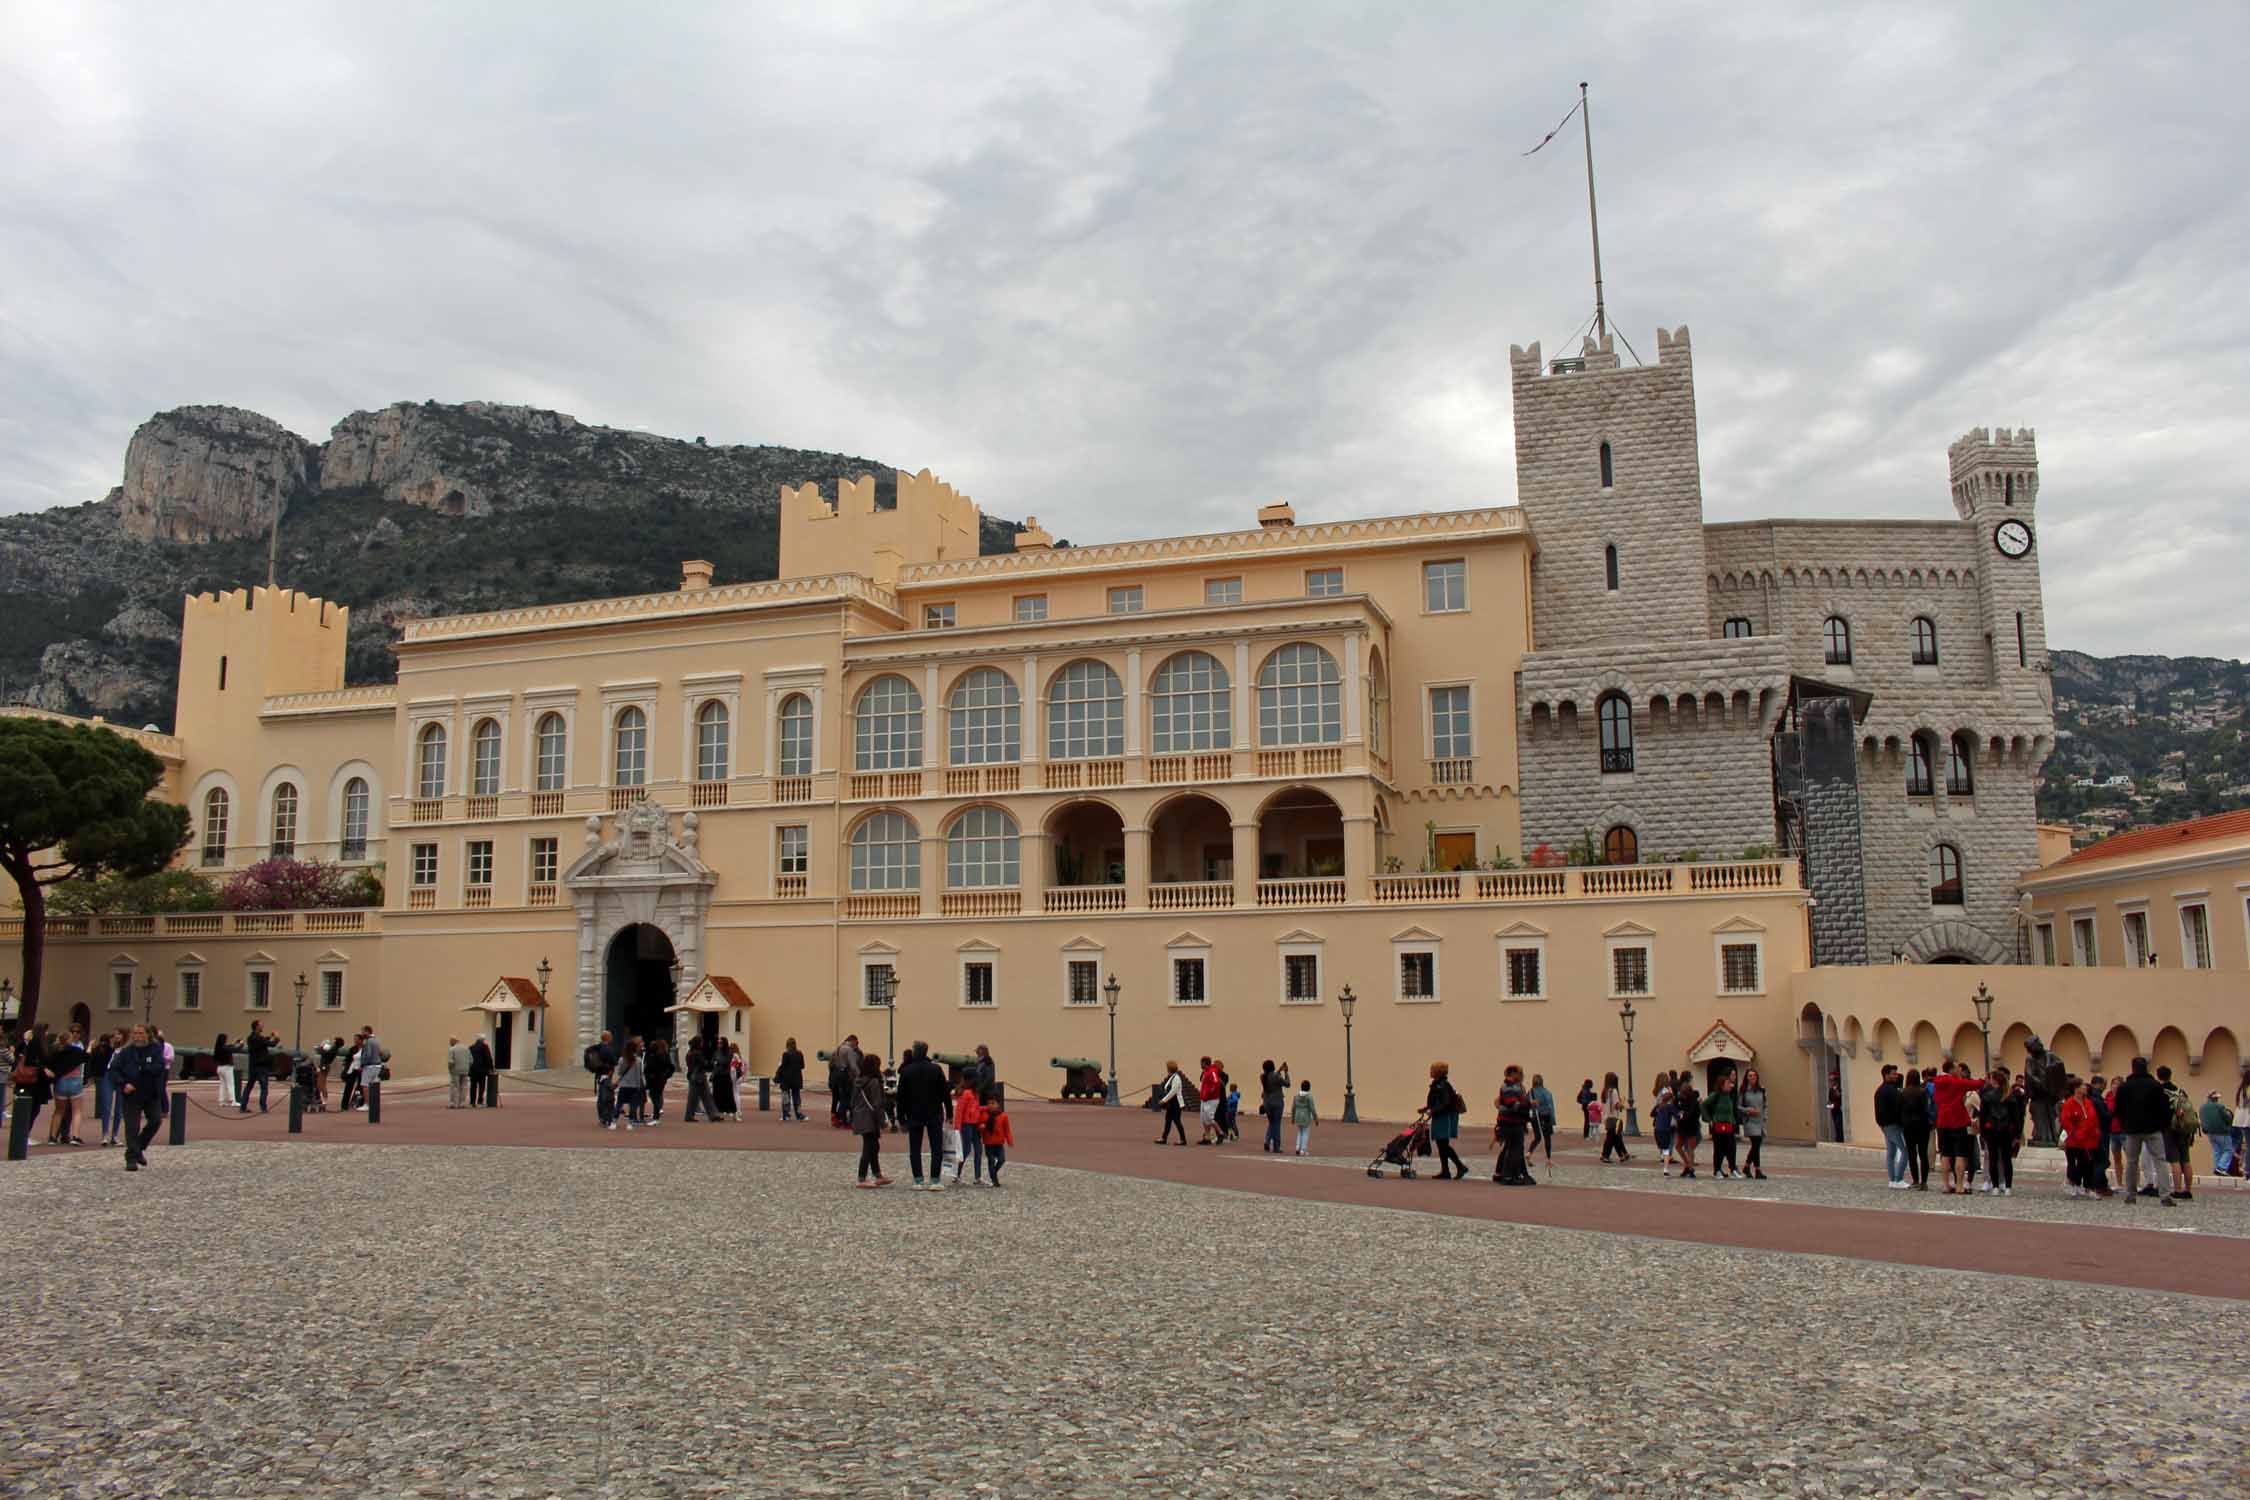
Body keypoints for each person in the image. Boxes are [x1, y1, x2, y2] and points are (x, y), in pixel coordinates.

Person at [2112, 1057, 2174, 1207]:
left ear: (2132, 1068)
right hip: (2153, 1129)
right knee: (2160, 1161)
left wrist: (2125, 1124)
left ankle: (2130, 1194)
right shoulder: (2155, 1086)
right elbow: (2165, 1108)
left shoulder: (2125, 1088)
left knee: (2132, 1162)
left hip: (2132, 1130)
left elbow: (2118, 1110)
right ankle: (2165, 1195)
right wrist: (2161, 1125)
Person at [896, 1042, 950, 1190]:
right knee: (936, 1148)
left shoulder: (907, 1071)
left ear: (914, 1052)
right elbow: (945, 1093)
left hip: (913, 1113)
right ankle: (935, 1180)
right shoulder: (936, 1069)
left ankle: (918, 1179)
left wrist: (901, 1118)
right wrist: (950, 1112)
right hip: (934, 1112)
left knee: (915, 1148)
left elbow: (901, 1097)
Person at [114, 1024, 167, 1172]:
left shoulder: (155, 1050)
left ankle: (138, 1148)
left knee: (156, 1120)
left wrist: (144, 1068)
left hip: (150, 1093)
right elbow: (114, 1070)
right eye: (135, 1033)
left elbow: (159, 1067)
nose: (137, 1036)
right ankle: (131, 1158)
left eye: (141, 1033)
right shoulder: (126, 1052)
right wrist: (123, 1084)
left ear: (148, 1035)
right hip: (131, 1094)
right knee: (132, 1126)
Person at [1931, 1061, 1982, 1195]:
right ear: (1952, 1069)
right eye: (1957, 1068)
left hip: (1942, 1121)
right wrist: (1984, 1080)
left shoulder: (1938, 1083)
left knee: (1945, 1155)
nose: (1959, 1070)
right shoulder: (1956, 1082)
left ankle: (1946, 1185)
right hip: (1957, 1122)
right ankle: (1959, 1185)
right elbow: (1975, 1084)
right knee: (1960, 1154)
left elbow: (1936, 1099)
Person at [2061, 1079, 2108, 1198]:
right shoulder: (2069, 1103)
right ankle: (2074, 1184)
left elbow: (2094, 1119)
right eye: (2082, 1086)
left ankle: (2088, 1187)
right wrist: (2074, 1132)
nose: (2085, 1087)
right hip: (2074, 1140)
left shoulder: (2088, 1102)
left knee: (2088, 1164)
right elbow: (2066, 1120)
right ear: (2076, 1088)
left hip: (2089, 1139)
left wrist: (2096, 1131)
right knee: (2074, 1164)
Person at [849, 1053, 889, 1188]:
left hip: (859, 1116)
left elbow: (852, 1101)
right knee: (869, 1147)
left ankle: (877, 1174)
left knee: (873, 1145)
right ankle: (862, 1177)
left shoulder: (857, 1081)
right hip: (870, 1118)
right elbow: (877, 1104)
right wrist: (882, 1121)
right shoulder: (874, 1082)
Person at [2157, 1064, 2196, 1201]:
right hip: (2184, 1128)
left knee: (2174, 1160)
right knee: (2186, 1159)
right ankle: (2188, 1190)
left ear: (2158, 1076)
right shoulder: (2180, 1091)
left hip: (2170, 1128)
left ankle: (2177, 1189)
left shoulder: (2160, 1091)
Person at [1491, 1066, 1535, 1185]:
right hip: (1511, 1122)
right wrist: (1530, 1105)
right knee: (1514, 1150)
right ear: (1513, 1073)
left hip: (1514, 1122)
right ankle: (1508, 1176)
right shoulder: (1509, 1087)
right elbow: (1513, 1105)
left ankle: (1506, 1174)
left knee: (1511, 1149)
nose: (1522, 1076)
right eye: (1520, 1073)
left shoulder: (1515, 1086)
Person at [45, 1026, 88, 1147]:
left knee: (58, 1111)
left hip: (60, 1082)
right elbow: (86, 1057)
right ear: (69, 1039)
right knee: (77, 1111)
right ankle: (75, 1136)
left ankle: (52, 1137)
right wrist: (90, 1048)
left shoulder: (55, 1051)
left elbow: (47, 1063)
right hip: (75, 1081)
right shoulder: (76, 1051)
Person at [1426, 1062, 1468, 1181]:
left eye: (1432, 1069)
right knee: (1441, 1144)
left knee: (1443, 1144)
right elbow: (1438, 1101)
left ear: (1437, 1072)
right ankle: (1446, 1170)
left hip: (1446, 1117)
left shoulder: (1443, 1085)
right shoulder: (1438, 1084)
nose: (1430, 1071)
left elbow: (1445, 1103)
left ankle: (1459, 1166)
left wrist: (1432, 1111)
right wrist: (1426, 1108)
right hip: (1441, 1115)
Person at [1897, 1068, 1932, 1190]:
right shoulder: (1922, 1092)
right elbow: (1926, 1108)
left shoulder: (1902, 1092)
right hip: (1922, 1125)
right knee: (1923, 1154)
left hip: (1908, 1126)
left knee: (1912, 1154)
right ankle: (1924, 1182)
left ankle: (1915, 1180)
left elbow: (1900, 1110)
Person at [1874, 1065, 1907, 1188]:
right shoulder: (1891, 1091)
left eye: (1896, 1073)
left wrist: (1881, 1124)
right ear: (1886, 1075)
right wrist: (1900, 1122)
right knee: (1905, 1151)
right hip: (1893, 1125)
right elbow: (1897, 1109)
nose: (1896, 1075)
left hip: (1885, 1125)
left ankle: (1892, 1179)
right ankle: (1898, 1179)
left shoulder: (1880, 1090)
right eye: (1893, 1074)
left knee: (1891, 1152)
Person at [1704, 1069, 1740, 1180]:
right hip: (1718, 1126)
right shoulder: (1715, 1095)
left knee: (1731, 1148)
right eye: (1727, 1083)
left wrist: (1734, 1122)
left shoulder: (1730, 1096)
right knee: (1719, 1149)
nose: (1730, 1085)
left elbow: (1732, 1111)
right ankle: (1717, 1170)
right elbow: (1704, 1105)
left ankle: (1733, 1169)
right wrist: (1709, 1120)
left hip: (1729, 1126)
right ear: (1722, 1085)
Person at [89, 1029, 121, 1148]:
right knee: (106, 1106)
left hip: (121, 1077)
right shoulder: (104, 1049)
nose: (116, 1037)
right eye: (114, 1035)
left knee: (119, 1108)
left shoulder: (125, 1049)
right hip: (106, 1076)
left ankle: (115, 1135)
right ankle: (105, 1134)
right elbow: (96, 1062)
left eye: (119, 1035)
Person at [952, 1076, 986, 1185]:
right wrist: (957, 1127)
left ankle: (978, 1176)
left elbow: (975, 1109)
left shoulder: (975, 1094)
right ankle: (956, 1175)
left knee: (978, 1149)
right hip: (966, 1125)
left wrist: (985, 1108)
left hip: (974, 1124)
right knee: (965, 1150)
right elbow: (959, 1110)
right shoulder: (967, 1093)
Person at [1738, 1067, 1769, 1180]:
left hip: (1760, 1121)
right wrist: (1748, 1110)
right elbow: (1738, 1106)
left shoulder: (1762, 1089)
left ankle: (1747, 1166)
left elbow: (1765, 1105)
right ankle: (1757, 1169)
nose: (1752, 1077)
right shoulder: (1743, 1091)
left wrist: (1765, 1117)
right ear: (1747, 1077)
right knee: (1756, 1143)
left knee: (1756, 1145)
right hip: (1750, 1120)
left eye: (1754, 1075)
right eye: (1750, 1076)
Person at [584, 1030, 617, 1128]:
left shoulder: (597, 1047)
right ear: (607, 1038)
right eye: (610, 1036)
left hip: (599, 1075)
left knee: (601, 1097)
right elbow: (614, 1062)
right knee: (606, 1097)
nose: (612, 1038)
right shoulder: (608, 1049)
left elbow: (587, 1051)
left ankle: (602, 1117)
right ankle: (606, 1118)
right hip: (606, 1074)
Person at [980, 1088, 1013, 1186]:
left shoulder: (1003, 1116)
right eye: (989, 1103)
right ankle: (994, 1180)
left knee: (1002, 1159)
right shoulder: (984, 1115)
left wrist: (1009, 1140)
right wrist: (981, 1127)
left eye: (993, 1103)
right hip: (988, 1143)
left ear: (998, 1104)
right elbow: (980, 1126)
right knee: (991, 1160)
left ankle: (993, 1172)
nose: (991, 1105)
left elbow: (1007, 1129)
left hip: (999, 1143)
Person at [1672, 1077, 1702, 1181]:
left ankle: (1690, 1168)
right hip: (1681, 1126)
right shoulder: (1678, 1098)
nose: (1682, 1095)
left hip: (1691, 1125)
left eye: (1684, 1093)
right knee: (1678, 1146)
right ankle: (1688, 1165)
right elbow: (1674, 1107)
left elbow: (1693, 1113)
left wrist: (1683, 1115)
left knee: (1690, 1148)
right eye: (1681, 1093)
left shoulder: (1693, 1099)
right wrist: (1678, 1115)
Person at [241, 1020, 274, 1113]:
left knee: (249, 1087)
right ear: (256, 1027)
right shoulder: (259, 1038)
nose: (262, 1026)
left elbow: (263, 1041)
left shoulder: (250, 1038)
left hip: (253, 1066)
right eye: (261, 1025)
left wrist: (269, 1037)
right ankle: (263, 1107)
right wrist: (276, 1037)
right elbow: (271, 1044)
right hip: (262, 1066)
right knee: (264, 1087)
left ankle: (243, 1106)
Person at [613, 1040, 646, 1130]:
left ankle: (614, 1122)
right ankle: (630, 1124)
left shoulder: (621, 1059)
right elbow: (639, 1075)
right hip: (634, 1086)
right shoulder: (638, 1060)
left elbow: (619, 1072)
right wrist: (640, 1086)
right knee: (633, 1106)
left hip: (624, 1085)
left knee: (619, 1104)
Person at [682, 1038, 717, 1123]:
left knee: (694, 1098)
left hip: (692, 1076)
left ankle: (690, 1115)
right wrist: (711, 1063)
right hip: (699, 1076)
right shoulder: (698, 1053)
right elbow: (703, 1064)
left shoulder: (689, 1053)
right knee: (706, 1097)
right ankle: (712, 1115)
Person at [1599, 1072, 1631, 1163]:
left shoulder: (1604, 1091)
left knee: (1615, 1137)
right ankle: (1605, 1155)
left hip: (1606, 1116)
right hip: (1613, 1117)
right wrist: (1622, 1105)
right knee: (1612, 1138)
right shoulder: (1614, 1091)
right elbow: (1616, 1105)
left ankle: (1623, 1154)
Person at [2203, 1091, 2235, 1177]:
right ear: (2215, 1098)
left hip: (2210, 1133)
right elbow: (2227, 1118)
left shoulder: (2202, 1107)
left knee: (2217, 1151)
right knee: (2228, 1150)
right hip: (2222, 1132)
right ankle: (2221, 1168)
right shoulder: (2220, 1107)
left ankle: (2217, 1169)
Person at [1156, 1061, 1189, 1146]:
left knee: (1177, 1121)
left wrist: (1164, 1100)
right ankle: (1164, 1138)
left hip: (1176, 1103)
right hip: (1172, 1104)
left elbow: (1173, 1092)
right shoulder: (1172, 1077)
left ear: (1169, 1069)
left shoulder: (1176, 1078)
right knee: (1168, 1120)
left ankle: (1183, 1139)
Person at [645, 1037, 677, 1125]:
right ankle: (657, 1114)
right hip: (658, 1079)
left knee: (655, 1097)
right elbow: (671, 1067)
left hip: (655, 1079)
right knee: (656, 1096)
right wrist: (666, 1076)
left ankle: (656, 1117)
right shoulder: (663, 1055)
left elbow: (650, 1067)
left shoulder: (658, 1056)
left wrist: (665, 1075)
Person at [1259, 1060, 1287, 1153]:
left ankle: (1267, 1141)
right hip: (1277, 1102)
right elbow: (1287, 1083)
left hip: (1267, 1103)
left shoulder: (1263, 1077)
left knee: (1271, 1123)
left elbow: (1273, 1077)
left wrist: (1280, 1070)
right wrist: (1286, 1072)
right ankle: (1276, 1147)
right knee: (1277, 1125)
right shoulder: (1276, 1076)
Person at [357, 1031, 388, 1115]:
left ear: (367, 1032)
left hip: (369, 1066)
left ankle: (367, 1104)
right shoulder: (377, 1041)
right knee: (375, 1086)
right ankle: (374, 1104)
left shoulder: (368, 1042)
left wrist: (362, 1064)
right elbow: (381, 1053)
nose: (362, 1033)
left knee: (365, 1085)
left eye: (363, 1031)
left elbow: (368, 1055)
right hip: (377, 1066)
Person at [1528, 1074, 1557, 1164]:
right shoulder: (1546, 1092)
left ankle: (1529, 1152)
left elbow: (1526, 1104)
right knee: (1547, 1138)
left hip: (1534, 1117)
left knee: (1537, 1137)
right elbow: (1550, 1107)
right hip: (1545, 1117)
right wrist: (1553, 1120)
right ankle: (1548, 1159)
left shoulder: (1530, 1092)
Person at [776, 1037, 806, 1121]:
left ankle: (786, 1115)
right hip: (796, 1078)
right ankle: (799, 1114)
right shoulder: (800, 1053)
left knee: (786, 1097)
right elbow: (803, 1066)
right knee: (796, 1097)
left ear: (787, 1045)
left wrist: (777, 1076)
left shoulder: (786, 1054)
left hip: (786, 1079)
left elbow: (783, 1067)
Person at [1652, 1082, 1677, 1177]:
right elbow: (1678, 1115)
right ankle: (1666, 1169)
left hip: (1657, 1130)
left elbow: (1652, 1114)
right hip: (1666, 1130)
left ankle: (1663, 1157)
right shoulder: (1670, 1106)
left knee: (1663, 1148)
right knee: (1666, 1150)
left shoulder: (1659, 1106)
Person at [1197, 1056, 1222, 1145]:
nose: (1200, 1064)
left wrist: (1209, 1094)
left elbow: (1216, 1083)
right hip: (1204, 1099)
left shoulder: (1212, 1072)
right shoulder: (1205, 1072)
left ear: (1204, 1063)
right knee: (1203, 1118)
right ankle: (1207, 1138)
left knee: (1209, 1117)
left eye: (1201, 1063)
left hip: (1211, 1099)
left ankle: (1220, 1133)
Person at [713, 1040, 740, 1121]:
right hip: (717, 1076)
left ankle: (735, 1114)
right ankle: (716, 1114)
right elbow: (713, 1062)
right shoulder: (716, 1052)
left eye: (721, 1043)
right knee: (716, 1096)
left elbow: (725, 1062)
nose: (719, 1044)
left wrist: (718, 1062)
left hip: (725, 1077)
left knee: (729, 1096)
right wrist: (716, 1063)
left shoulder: (729, 1053)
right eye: (718, 1043)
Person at [1291, 1078, 1318, 1156]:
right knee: (1305, 1132)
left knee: (1299, 1132)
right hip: (1306, 1116)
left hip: (1297, 1116)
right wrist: (1316, 1119)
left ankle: (1297, 1147)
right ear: (1309, 1088)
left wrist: (1292, 1118)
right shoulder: (1309, 1097)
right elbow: (1312, 1109)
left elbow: (1293, 1107)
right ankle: (1303, 1150)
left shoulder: (1296, 1096)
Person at [212, 1032, 237, 1113]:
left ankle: (222, 1101)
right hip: (227, 1067)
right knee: (230, 1084)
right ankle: (233, 1101)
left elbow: (229, 1047)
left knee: (222, 1085)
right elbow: (234, 1049)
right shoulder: (225, 1048)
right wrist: (240, 1044)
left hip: (219, 1068)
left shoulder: (218, 1048)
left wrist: (234, 1043)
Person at [468, 1035, 495, 1107]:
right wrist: (491, 1068)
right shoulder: (485, 1047)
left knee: (473, 1086)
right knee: (481, 1086)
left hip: (473, 1070)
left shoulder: (471, 1047)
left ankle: (472, 1102)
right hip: (482, 1070)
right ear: (482, 1040)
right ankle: (480, 1101)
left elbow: (469, 1058)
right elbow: (488, 1058)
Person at [446, 1037, 471, 1108]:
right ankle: (462, 1103)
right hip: (465, 1070)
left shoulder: (452, 1049)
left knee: (454, 1087)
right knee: (464, 1087)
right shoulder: (466, 1049)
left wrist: (450, 1069)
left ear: (453, 1042)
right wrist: (467, 1067)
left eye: (450, 1042)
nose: (449, 1044)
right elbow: (471, 1060)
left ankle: (453, 1103)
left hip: (455, 1071)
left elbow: (450, 1061)